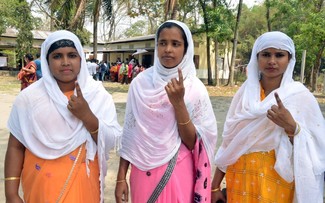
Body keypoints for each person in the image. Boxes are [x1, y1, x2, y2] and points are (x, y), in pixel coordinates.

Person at [4, 30, 122, 203]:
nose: (66, 62)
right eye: (57, 56)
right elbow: (15, 147)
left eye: (72, 55)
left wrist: (87, 116)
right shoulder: (28, 98)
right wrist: (11, 193)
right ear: (47, 60)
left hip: (83, 188)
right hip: (41, 189)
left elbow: (110, 141)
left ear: (81, 58)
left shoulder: (98, 95)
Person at [211, 31, 325, 203]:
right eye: (265, 54)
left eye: (279, 55)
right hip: (240, 179)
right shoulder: (244, 94)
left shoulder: (300, 97)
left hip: (278, 183)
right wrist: (215, 186)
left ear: (289, 59)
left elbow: (317, 149)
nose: (272, 61)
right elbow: (230, 142)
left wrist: (293, 127)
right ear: (257, 58)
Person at [115, 20, 218, 203]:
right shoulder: (140, 84)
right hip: (141, 172)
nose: (168, 49)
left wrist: (178, 103)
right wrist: (121, 177)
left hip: (178, 171)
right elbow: (131, 134)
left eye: (175, 44)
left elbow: (195, 142)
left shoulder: (194, 88)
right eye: (162, 43)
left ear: (186, 49)